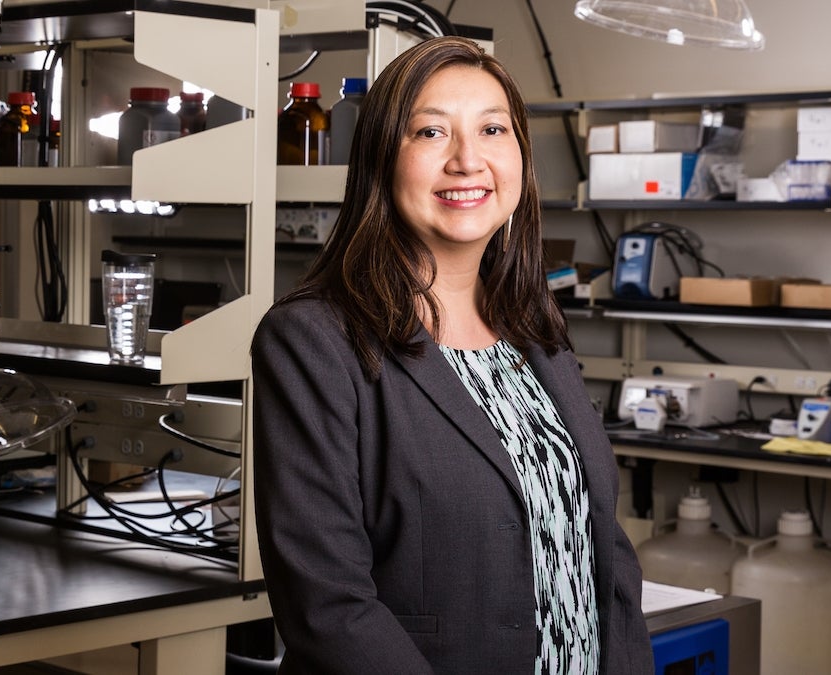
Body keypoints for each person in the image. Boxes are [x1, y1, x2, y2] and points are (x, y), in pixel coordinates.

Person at [250, 36, 653, 674]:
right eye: (432, 133)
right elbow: (327, 608)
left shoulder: (533, 327)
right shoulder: (314, 341)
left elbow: (603, 548)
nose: (469, 160)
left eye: (493, 129)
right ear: (384, 158)